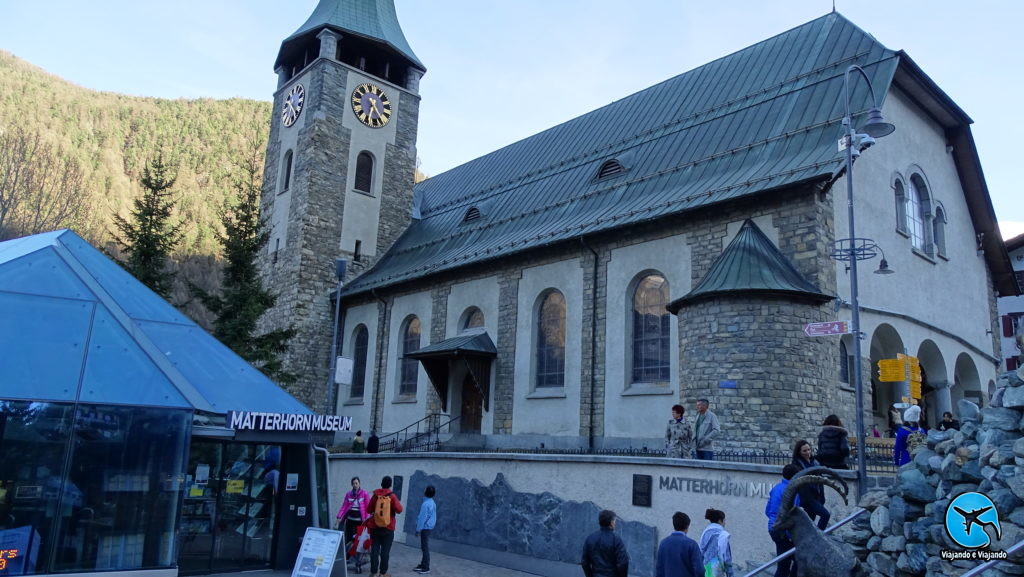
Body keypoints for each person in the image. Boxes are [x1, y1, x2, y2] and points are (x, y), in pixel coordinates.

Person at [765, 464, 800, 577]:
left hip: (773, 528)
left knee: (784, 563)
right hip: (783, 531)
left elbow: (768, 510)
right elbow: (792, 513)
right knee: (795, 562)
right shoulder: (791, 491)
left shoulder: (776, 488)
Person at [367, 475, 403, 577]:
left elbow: (368, 510)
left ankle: (373, 573)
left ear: (381, 484)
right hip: (388, 527)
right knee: (385, 552)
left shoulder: (375, 496)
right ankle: (383, 573)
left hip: (375, 527)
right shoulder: (392, 496)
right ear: (390, 485)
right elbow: (400, 510)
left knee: (374, 550)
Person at [791, 440, 829, 530]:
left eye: (809, 450)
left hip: (818, 495)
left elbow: (820, 479)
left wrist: (822, 496)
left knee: (810, 522)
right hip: (807, 498)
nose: (808, 452)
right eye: (804, 451)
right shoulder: (797, 465)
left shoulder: (815, 462)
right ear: (799, 452)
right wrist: (807, 499)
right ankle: (819, 536)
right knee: (825, 515)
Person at [581, 509, 629, 577]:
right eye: (615, 521)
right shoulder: (616, 539)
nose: (615, 523)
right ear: (611, 523)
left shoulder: (590, 538)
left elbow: (584, 562)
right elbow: (623, 563)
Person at [656, 511, 704, 577]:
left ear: (674, 525)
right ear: (687, 526)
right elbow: (699, 570)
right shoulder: (692, 544)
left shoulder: (663, 543)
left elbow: (659, 569)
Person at [336, 476, 370, 557]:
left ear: (359, 483)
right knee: (349, 537)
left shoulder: (364, 493)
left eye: (356, 483)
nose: (355, 485)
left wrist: (367, 519)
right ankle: (348, 555)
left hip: (360, 521)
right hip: (350, 520)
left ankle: (356, 555)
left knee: (358, 538)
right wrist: (339, 516)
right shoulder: (348, 494)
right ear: (351, 485)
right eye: (353, 483)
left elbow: (368, 507)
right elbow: (344, 506)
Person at [699, 508, 734, 577]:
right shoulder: (723, 535)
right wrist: (730, 574)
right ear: (720, 520)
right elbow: (727, 559)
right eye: (724, 520)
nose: (725, 522)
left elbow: (700, 552)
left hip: (706, 571)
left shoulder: (705, 533)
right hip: (717, 572)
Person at [414, 485, 436, 574]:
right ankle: (423, 564)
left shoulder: (425, 504)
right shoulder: (432, 502)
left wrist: (418, 530)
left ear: (426, 492)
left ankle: (426, 567)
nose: (424, 489)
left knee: (425, 547)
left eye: (425, 488)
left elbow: (422, 519)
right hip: (428, 527)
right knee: (424, 547)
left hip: (425, 528)